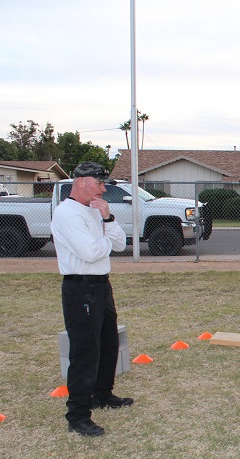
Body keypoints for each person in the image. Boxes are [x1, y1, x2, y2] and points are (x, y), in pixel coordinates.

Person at [51, 162, 133, 436]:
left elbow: (121, 243)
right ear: (82, 181)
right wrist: (105, 243)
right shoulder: (67, 213)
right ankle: (77, 415)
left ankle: (101, 394)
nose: (102, 189)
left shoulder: (96, 210)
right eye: (99, 183)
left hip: (101, 284)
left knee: (109, 344)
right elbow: (90, 252)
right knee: (85, 352)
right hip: (80, 286)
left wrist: (108, 219)